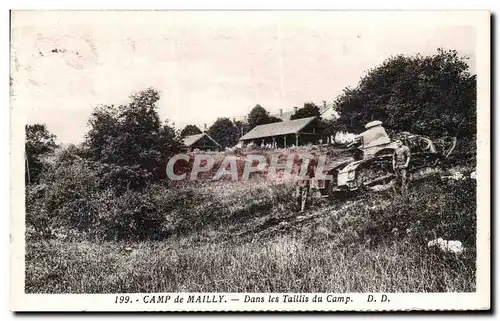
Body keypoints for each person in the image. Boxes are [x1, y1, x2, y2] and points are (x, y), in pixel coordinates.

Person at [295, 147, 319, 213]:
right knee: (297, 196)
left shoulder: (310, 169)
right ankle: (300, 207)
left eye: (308, 161)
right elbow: (297, 174)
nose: (307, 162)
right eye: (305, 161)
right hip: (299, 183)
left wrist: (313, 184)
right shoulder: (300, 167)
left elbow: (312, 176)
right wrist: (296, 181)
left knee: (304, 197)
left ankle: (302, 209)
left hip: (305, 183)